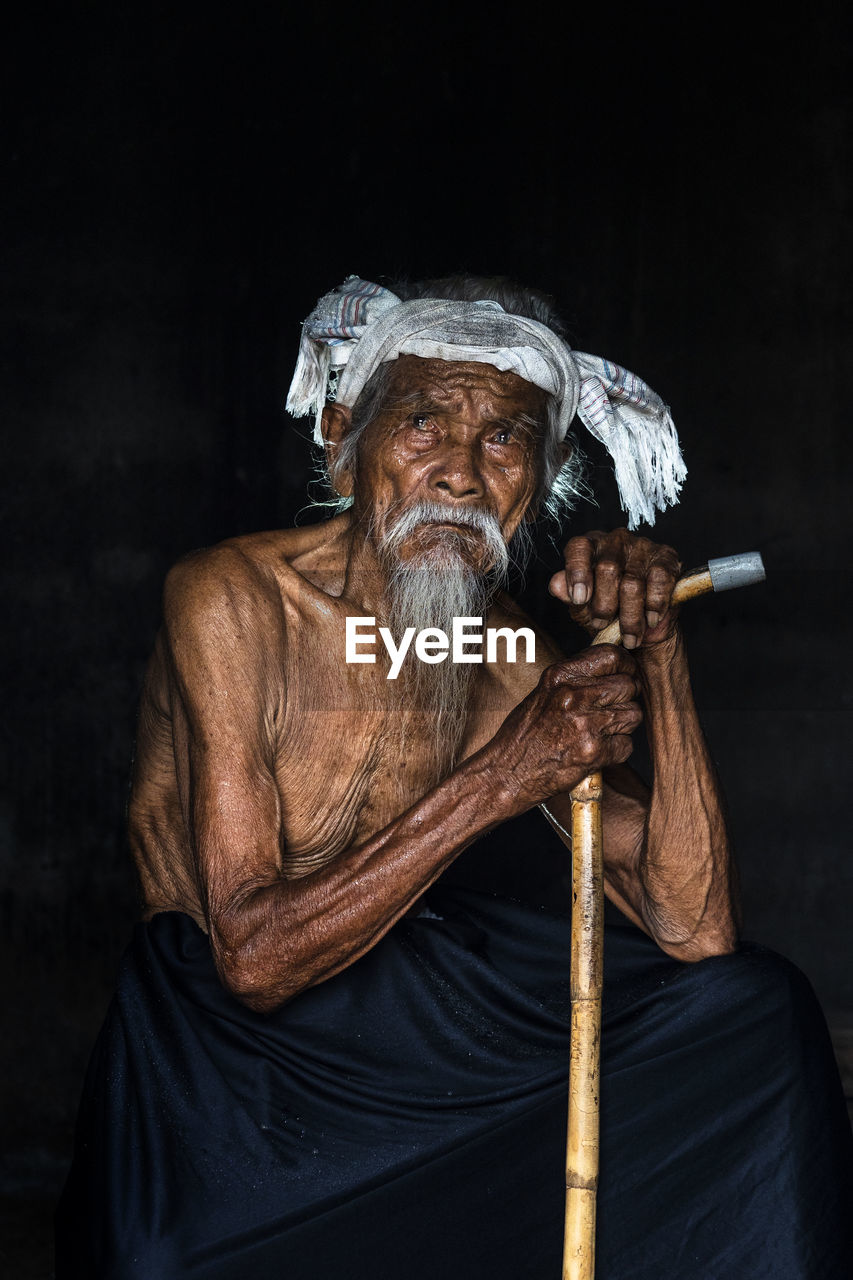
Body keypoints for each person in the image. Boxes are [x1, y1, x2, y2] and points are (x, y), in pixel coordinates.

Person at [56, 275, 853, 1278]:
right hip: (230, 1058)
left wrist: (659, 645)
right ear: (345, 435)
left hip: (402, 1009)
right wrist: (507, 774)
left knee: (753, 1010)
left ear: (547, 475)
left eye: (505, 440)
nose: (463, 475)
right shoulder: (230, 600)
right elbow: (250, 957)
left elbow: (694, 928)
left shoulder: (500, 652)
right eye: (423, 424)